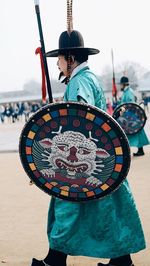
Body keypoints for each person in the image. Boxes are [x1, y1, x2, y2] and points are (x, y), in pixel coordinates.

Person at [31, 30, 146, 266]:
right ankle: (121, 262)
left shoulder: (79, 82)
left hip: (82, 165)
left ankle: (54, 261)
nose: (58, 65)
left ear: (70, 58)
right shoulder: (90, 77)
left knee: (67, 209)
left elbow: (81, 117)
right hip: (97, 163)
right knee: (107, 211)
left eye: (60, 59)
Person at [119, 76, 150, 156]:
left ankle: (137, 150)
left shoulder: (128, 93)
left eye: (121, 84)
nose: (120, 86)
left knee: (134, 133)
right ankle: (140, 150)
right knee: (137, 133)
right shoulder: (127, 92)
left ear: (124, 84)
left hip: (131, 117)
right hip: (131, 117)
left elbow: (130, 105)